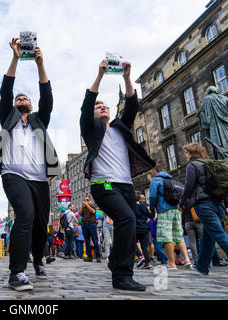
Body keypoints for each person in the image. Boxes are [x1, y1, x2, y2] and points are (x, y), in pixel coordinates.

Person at [0, 38, 60, 292]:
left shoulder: (40, 119)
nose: (19, 98)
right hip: (13, 174)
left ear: (30, 105)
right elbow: (6, 90)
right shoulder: (9, 118)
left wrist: (40, 63)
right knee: (25, 215)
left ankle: (38, 260)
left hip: (40, 179)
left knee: (40, 223)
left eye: (24, 97)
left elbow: (47, 95)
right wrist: (16, 57)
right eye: (18, 98)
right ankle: (16, 272)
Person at [80, 59, 155, 291]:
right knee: (126, 219)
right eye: (98, 107)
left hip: (125, 185)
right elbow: (87, 104)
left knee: (131, 226)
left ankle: (115, 261)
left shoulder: (121, 127)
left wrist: (126, 76)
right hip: (104, 184)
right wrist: (100, 74)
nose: (102, 108)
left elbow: (132, 104)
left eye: (106, 107)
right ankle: (122, 276)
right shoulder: (91, 130)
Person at [178, 143, 228, 276]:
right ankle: (202, 267)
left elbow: (189, 186)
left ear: (192, 153)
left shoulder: (192, 165)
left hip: (204, 205)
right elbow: (224, 186)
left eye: (186, 152)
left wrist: (181, 202)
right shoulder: (213, 164)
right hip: (219, 206)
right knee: (207, 238)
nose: (185, 155)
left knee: (220, 235)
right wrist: (227, 205)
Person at [149, 164, 192, 270]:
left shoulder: (155, 180)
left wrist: (152, 207)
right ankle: (187, 260)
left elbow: (153, 196)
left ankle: (172, 263)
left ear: (154, 171)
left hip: (164, 210)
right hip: (176, 211)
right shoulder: (173, 180)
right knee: (178, 235)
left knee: (166, 236)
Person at [198, 86, 228, 159]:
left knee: (217, 144)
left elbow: (202, 113)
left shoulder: (207, 99)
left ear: (208, 92)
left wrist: (201, 116)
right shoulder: (225, 98)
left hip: (215, 126)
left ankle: (221, 159)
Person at [134, 192, 155, 269]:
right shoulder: (144, 206)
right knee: (144, 247)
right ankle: (148, 263)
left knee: (132, 244)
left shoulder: (132, 207)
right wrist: (152, 209)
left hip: (135, 228)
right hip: (144, 229)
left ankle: (140, 257)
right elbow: (151, 216)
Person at [80, 197, 101, 262]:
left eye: (87, 200)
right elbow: (79, 213)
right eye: (85, 200)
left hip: (92, 224)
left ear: (90, 201)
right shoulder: (84, 208)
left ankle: (98, 256)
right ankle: (89, 256)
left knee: (95, 240)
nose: (86, 201)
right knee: (87, 241)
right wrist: (82, 206)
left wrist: (87, 205)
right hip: (84, 224)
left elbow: (93, 211)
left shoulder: (92, 206)